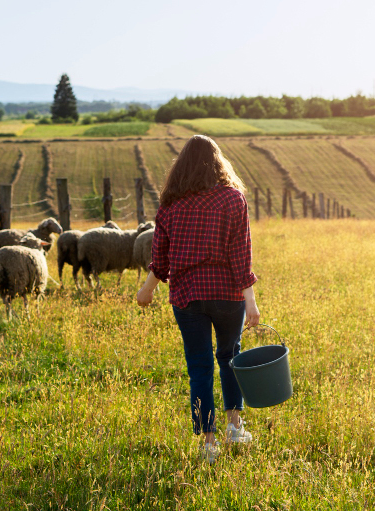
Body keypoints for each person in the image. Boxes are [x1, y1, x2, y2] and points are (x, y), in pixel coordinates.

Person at [136, 134, 261, 464]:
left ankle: (208, 442)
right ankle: (234, 426)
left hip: (187, 296)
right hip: (227, 295)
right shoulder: (233, 199)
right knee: (230, 356)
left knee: (199, 367)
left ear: (182, 165)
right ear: (218, 162)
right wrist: (250, 300)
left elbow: (160, 259)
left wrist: (147, 290)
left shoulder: (170, 205)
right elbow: (240, 254)